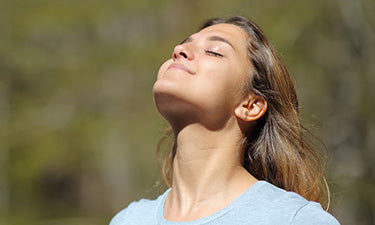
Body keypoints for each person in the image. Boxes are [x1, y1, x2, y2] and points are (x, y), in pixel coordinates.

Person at [110, 16, 340, 225]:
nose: (179, 50)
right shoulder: (128, 219)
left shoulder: (295, 220)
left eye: (214, 51)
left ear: (250, 105)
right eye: (183, 44)